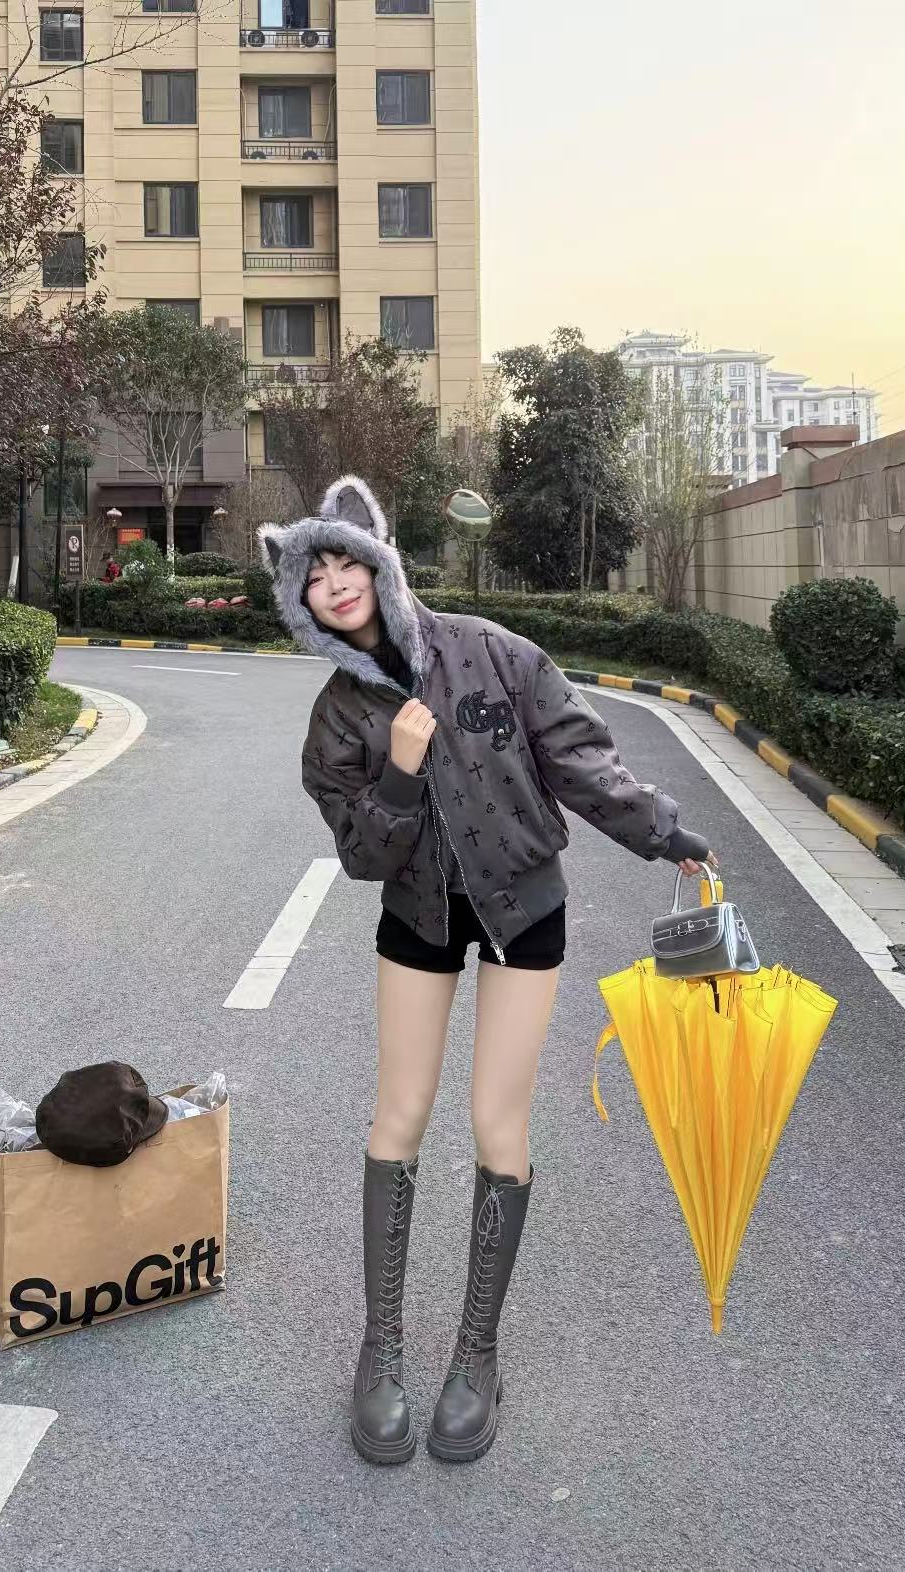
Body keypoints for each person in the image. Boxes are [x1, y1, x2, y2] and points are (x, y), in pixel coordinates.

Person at [260, 477, 715, 1468]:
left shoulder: (493, 652)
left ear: (379, 562)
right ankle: (381, 1351)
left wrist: (663, 832)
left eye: (345, 561)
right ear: (300, 603)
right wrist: (398, 770)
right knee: (398, 1115)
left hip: (524, 906)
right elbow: (362, 856)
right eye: (313, 575)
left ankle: (477, 1353)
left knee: (497, 1123)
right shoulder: (337, 720)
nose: (335, 583)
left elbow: (580, 762)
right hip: (416, 914)